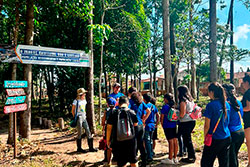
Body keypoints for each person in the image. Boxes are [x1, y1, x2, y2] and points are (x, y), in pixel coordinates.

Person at [201, 82, 231, 167]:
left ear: (212, 92)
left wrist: (205, 137)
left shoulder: (211, 105)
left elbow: (207, 125)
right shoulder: (226, 104)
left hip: (214, 138)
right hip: (226, 136)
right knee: (224, 162)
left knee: (206, 163)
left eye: (208, 91)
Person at [106, 96, 138, 167]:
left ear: (118, 103)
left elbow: (108, 128)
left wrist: (108, 140)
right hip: (131, 140)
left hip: (118, 140)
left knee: (121, 162)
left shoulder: (113, 113)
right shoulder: (132, 112)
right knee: (133, 161)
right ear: (128, 103)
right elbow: (136, 125)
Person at [223, 83, 244, 167]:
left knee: (231, 158)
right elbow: (241, 115)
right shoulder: (238, 102)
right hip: (240, 132)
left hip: (231, 134)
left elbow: (224, 120)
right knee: (234, 156)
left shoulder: (225, 104)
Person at [71, 88, 97, 153]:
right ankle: (79, 148)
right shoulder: (76, 101)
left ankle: (91, 147)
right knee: (79, 133)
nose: (85, 94)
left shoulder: (84, 101)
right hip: (79, 117)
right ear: (80, 94)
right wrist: (75, 117)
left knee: (88, 131)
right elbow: (73, 110)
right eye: (84, 93)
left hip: (84, 117)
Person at [130, 92, 151, 167]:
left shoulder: (131, 102)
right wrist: (144, 119)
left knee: (134, 143)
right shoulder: (141, 103)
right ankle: (144, 161)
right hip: (141, 125)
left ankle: (134, 160)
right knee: (141, 143)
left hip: (133, 125)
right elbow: (149, 110)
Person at [177, 85, 196, 163]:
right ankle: (190, 155)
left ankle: (191, 156)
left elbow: (182, 114)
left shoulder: (183, 100)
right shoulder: (190, 100)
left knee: (187, 140)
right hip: (191, 120)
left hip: (185, 122)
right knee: (187, 139)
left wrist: (176, 115)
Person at [160, 94, 179, 165]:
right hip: (174, 125)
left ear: (166, 99)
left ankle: (170, 158)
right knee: (175, 141)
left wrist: (162, 124)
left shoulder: (165, 107)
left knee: (170, 142)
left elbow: (162, 118)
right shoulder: (174, 106)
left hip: (167, 126)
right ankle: (175, 157)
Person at [143, 92, 158, 162]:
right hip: (152, 125)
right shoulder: (153, 106)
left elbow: (143, 115)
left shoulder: (144, 106)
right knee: (151, 140)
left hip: (147, 125)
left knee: (147, 141)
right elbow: (157, 114)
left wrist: (143, 121)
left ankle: (149, 156)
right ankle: (151, 153)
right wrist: (157, 123)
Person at [101, 97, 116, 165]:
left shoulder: (106, 111)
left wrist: (103, 128)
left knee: (108, 146)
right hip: (116, 129)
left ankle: (108, 161)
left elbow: (103, 122)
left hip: (108, 129)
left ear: (107, 104)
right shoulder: (117, 111)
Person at [242, 74, 250, 167]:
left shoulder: (248, 93)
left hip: (248, 121)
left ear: (247, 82)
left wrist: (239, 108)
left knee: (249, 142)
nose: (242, 85)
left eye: (243, 83)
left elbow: (248, 107)